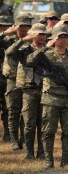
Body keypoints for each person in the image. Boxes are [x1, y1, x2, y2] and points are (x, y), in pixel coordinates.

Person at [28, 26, 68, 168]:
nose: (63, 40)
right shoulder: (46, 54)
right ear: (53, 38)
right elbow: (29, 61)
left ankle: (65, 161)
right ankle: (49, 162)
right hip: (50, 99)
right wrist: (45, 47)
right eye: (59, 37)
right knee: (47, 132)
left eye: (65, 37)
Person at [6, 23, 47, 160]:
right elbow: (9, 52)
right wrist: (23, 39)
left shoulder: (49, 49)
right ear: (32, 35)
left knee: (43, 123)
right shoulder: (25, 49)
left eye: (43, 34)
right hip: (29, 91)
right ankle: (29, 153)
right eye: (39, 34)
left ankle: (41, 152)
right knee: (29, 123)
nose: (41, 36)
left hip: (46, 90)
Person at [3, 14, 32, 150]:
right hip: (13, 78)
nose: (25, 28)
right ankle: (14, 140)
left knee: (26, 111)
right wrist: (4, 32)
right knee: (13, 110)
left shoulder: (31, 40)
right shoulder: (8, 39)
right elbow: (9, 52)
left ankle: (24, 139)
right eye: (22, 26)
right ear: (16, 27)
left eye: (27, 26)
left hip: (28, 79)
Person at [0, 16, 13, 142]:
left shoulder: (9, 41)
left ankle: (8, 133)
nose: (4, 29)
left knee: (7, 106)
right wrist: (3, 34)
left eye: (6, 26)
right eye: (1, 26)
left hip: (5, 77)